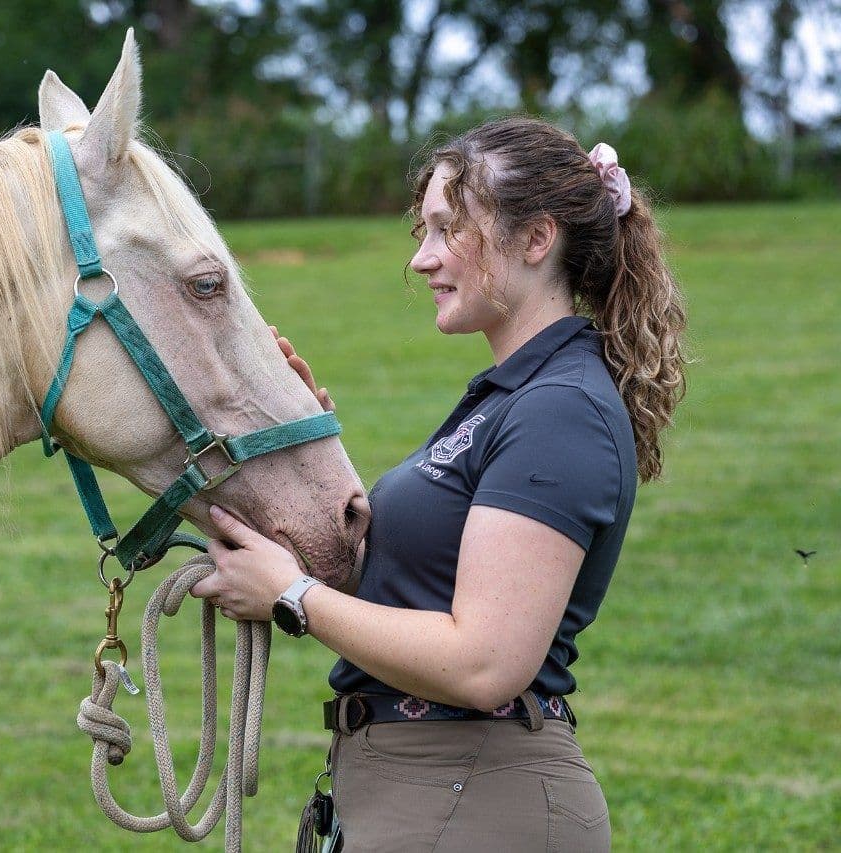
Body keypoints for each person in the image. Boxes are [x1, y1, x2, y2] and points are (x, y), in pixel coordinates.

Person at [190, 116, 687, 851]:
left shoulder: (559, 409)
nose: (422, 259)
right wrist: (297, 463)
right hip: (433, 795)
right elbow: (419, 587)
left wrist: (291, 597)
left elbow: (485, 660)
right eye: (423, 231)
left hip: (475, 800)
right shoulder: (512, 396)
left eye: (447, 228)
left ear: (536, 239)